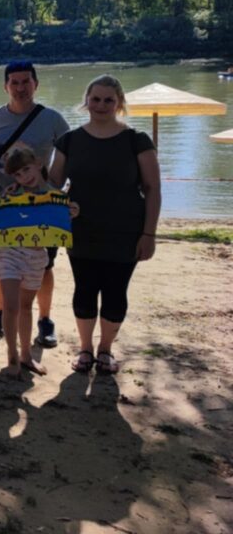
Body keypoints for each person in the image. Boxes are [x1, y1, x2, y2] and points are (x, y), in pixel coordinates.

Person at [49, 74, 161, 376]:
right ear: (87, 101)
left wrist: (149, 234)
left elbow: (152, 189)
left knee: (115, 291)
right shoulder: (69, 140)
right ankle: (86, 348)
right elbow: (52, 185)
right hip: (81, 230)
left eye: (108, 100)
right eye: (95, 99)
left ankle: (105, 350)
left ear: (119, 103)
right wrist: (22, 179)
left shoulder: (137, 140)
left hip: (126, 232)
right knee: (84, 289)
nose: (100, 105)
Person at [0, 60, 70, 347]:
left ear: (36, 84)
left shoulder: (53, 118)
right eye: (14, 82)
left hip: (42, 204)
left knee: (44, 264)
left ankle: (44, 318)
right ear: (5, 86)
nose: (20, 88)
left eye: (26, 82)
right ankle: (1, 310)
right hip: (2, 203)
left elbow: (69, 154)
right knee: (0, 260)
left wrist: (57, 188)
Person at [0, 146, 79, 378]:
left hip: (37, 257)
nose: (24, 177)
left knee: (26, 307)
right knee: (11, 306)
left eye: (26, 170)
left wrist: (73, 211)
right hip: (9, 254)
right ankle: (12, 357)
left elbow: (63, 220)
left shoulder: (56, 196)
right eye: (17, 174)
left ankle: (26, 354)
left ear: (38, 164)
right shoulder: (10, 194)